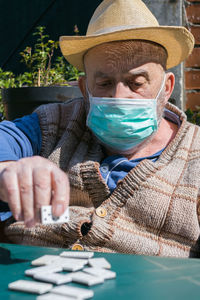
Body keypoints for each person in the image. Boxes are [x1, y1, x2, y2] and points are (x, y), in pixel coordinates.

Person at [0, 0, 199, 258]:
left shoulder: (194, 156)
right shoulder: (54, 123)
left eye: (136, 83)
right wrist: (8, 169)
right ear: (84, 89)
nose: (119, 96)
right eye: (104, 83)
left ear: (167, 88)